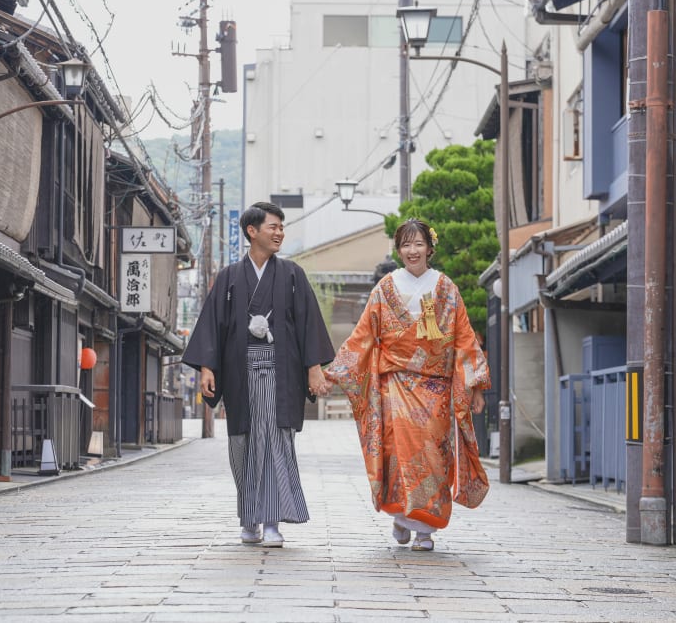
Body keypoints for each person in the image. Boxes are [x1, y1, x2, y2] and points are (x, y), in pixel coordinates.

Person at [322, 218, 490, 552]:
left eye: (418, 244)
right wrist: (333, 372)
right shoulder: (385, 288)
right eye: (405, 245)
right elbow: (363, 335)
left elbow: (464, 338)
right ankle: (402, 516)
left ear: (430, 247)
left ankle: (424, 528)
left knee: (434, 457)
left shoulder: (446, 287)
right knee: (399, 456)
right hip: (395, 384)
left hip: (436, 389)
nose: (412, 251)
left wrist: (473, 386)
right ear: (399, 250)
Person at [183, 201, 334, 548]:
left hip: (281, 375)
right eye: (273, 227)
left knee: (277, 444)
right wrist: (207, 367)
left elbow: (308, 324)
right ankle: (248, 519)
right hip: (241, 374)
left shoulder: (293, 274)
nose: (280, 233)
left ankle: (271, 522)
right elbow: (213, 326)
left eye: (282, 227)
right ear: (252, 231)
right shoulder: (229, 278)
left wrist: (314, 369)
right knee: (243, 445)